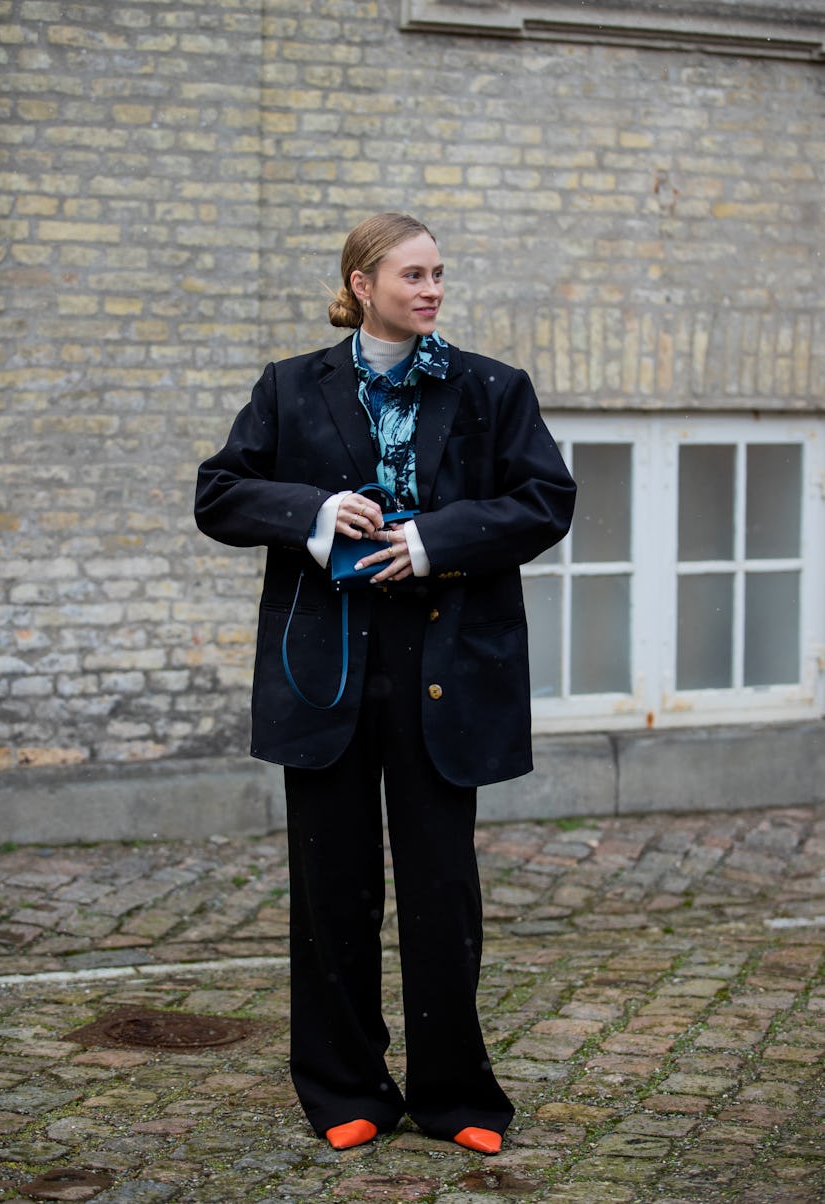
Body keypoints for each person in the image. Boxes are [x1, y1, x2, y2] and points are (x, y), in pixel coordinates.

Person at [194, 212, 576, 1155]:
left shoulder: (492, 387)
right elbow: (219, 494)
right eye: (414, 274)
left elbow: (545, 500)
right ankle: (343, 1089)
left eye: (440, 273)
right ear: (362, 285)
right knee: (331, 886)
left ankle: (455, 1098)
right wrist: (315, 511)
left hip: (447, 673)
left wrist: (431, 540)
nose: (433, 288)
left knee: (443, 889)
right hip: (323, 672)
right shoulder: (290, 387)